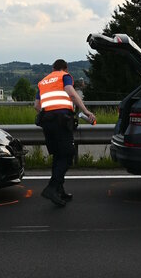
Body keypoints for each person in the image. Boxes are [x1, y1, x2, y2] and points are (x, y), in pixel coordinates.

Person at [33, 59, 96, 206]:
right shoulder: (64, 76)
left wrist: (49, 113)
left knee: (58, 155)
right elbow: (72, 94)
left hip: (47, 122)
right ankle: (52, 188)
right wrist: (86, 111)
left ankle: (59, 192)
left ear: (53, 68)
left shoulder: (43, 82)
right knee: (68, 154)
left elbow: (37, 105)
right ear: (65, 68)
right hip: (61, 121)